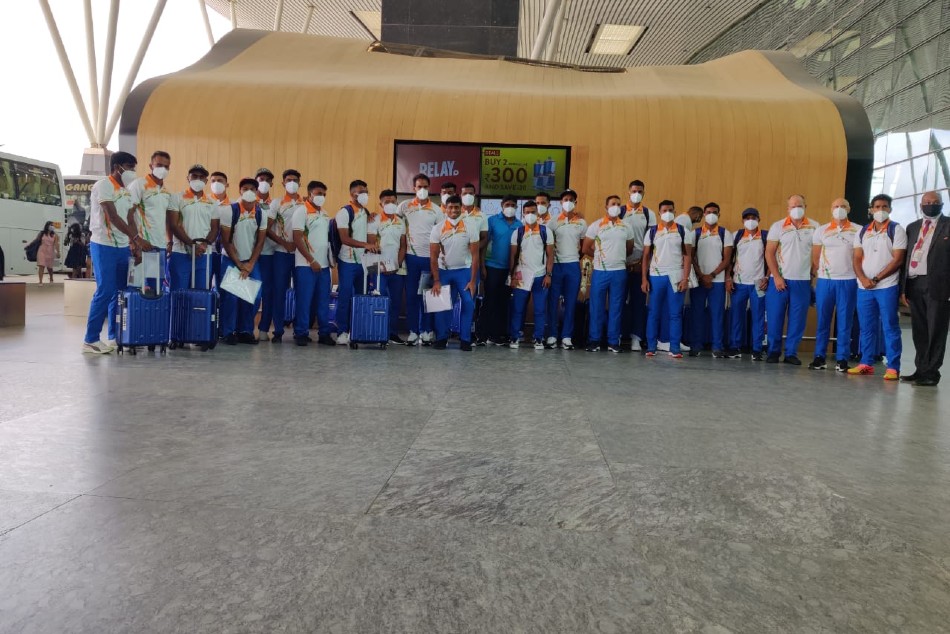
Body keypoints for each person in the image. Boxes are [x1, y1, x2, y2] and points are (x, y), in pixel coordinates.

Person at [82, 151, 141, 354]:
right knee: (105, 290)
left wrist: (135, 244)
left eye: (134, 167)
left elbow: (130, 218)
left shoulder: (127, 191)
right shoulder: (103, 185)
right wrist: (136, 238)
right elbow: (113, 217)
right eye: (130, 167)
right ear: (117, 167)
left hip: (122, 247)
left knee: (120, 292)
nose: (133, 171)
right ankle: (90, 339)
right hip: (103, 245)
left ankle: (114, 336)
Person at [849, 194, 907, 380]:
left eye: (884, 206)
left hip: (887, 286)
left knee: (890, 326)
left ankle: (893, 367)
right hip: (864, 288)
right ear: (871, 209)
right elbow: (856, 259)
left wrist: (876, 279)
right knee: (866, 327)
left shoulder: (896, 229)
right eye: (877, 206)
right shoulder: (862, 231)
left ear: (890, 209)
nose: (880, 210)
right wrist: (863, 279)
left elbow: (898, 260)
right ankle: (866, 363)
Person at [764, 194, 820, 365]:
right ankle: (773, 351)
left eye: (799, 205)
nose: (796, 208)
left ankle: (791, 353)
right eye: (793, 206)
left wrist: (812, 275)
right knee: (775, 318)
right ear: (788, 208)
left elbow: (818, 254)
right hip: (779, 280)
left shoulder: (815, 226)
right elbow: (769, 253)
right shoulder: (778, 226)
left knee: (798, 320)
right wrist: (776, 276)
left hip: (802, 281)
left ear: (805, 207)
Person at [902, 191, 949, 387]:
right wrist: (903, 288)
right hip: (914, 283)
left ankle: (931, 373)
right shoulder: (912, 227)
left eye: (935, 202)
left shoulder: (948, 224)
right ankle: (920, 369)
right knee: (919, 330)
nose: (931, 205)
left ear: (942, 204)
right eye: (927, 202)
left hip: (939, 285)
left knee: (936, 330)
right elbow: (906, 257)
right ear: (921, 205)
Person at [809, 198, 860, 372]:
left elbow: (860, 256)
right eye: (836, 206)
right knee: (823, 321)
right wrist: (825, 272)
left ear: (849, 209)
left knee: (845, 322)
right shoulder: (821, 230)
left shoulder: (858, 230)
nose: (839, 209)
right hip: (826, 281)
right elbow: (816, 257)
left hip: (849, 280)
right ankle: (819, 357)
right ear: (831, 209)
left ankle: (842, 359)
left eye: (843, 206)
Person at [220, 178, 268, 345]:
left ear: (256, 192)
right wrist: (240, 265)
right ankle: (228, 331)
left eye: (252, 189)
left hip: (250, 261)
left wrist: (250, 264)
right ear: (240, 191)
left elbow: (260, 242)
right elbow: (226, 241)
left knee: (254, 295)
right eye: (245, 188)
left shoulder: (261, 213)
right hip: (231, 259)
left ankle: (245, 331)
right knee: (231, 296)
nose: (249, 191)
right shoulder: (230, 210)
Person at [642, 200, 693, 358]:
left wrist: (685, 278)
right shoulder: (652, 232)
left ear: (675, 212)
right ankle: (651, 346)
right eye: (664, 210)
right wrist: (644, 279)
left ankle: (675, 347)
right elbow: (645, 257)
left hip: (676, 276)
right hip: (656, 276)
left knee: (675, 314)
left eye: (670, 210)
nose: (667, 213)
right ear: (659, 213)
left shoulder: (683, 231)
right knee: (653, 313)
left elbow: (687, 256)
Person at [584, 195, 635, 353]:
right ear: (606, 207)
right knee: (596, 307)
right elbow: (585, 248)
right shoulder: (596, 225)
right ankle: (594, 340)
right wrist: (599, 258)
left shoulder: (626, 226)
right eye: (613, 204)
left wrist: (617, 258)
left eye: (619, 204)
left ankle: (613, 341)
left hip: (619, 272)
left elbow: (629, 248)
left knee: (616, 308)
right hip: (600, 271)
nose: (616, 206)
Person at [429, 195, 479, 350]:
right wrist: (436, 280)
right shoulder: (437, 228)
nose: (453, 210)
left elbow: (475, 256)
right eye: (450, 207)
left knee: (468, 303)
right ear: (445, 208)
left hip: (464, 271)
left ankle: (465, 339)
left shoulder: (471, 226)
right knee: (441, 305)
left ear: (461, 208)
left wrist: (473, 281)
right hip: (444, 272)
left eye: (456, 207)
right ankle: (442, 338)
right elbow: (433, 256)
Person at [334, 179, 379, 346]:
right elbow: (344, 238)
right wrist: (365, 245)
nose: (365, 194)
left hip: (364, 262)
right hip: (347, 261)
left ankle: (358, 330)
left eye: (366, 192)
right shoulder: (344, 212)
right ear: (352, 193)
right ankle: (342, 331)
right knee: (345, 297)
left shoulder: (365, 212)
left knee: (362, 297)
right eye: (361, 191)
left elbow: (369, 236)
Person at [399, 174, 443, 345]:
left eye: (425, 186)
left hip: (430, 260)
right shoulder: (404, 206)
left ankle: (426, 330)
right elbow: (393, 222)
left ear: (429, 188)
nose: (422, 189)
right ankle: (412, 331)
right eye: (419, 186)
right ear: (414, 188)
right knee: (411, 296)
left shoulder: (437, 210)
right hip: (411, 258)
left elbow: (441, 235)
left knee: (427, 296)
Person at [291, 181, 333, 347]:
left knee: (323, 301)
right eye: (318, 193)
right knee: (304, 300)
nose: (321, 196)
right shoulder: (301, 211)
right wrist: (311, 260)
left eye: (324, 194)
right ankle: (301, 332)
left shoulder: (325, 213)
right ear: (309, 194)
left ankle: (324, 333)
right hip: (305, 265)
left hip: (324, 266)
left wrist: (329, 260)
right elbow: (297, 238)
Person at [508, 200, 555, 349]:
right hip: (521, 274)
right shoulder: (518, 232)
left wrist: (548, 275)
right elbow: (512, 256)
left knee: (540, 310)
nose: (530, 215)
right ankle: (514, 337)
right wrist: (512, 276)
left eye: (533, 212)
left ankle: (538, 338)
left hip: (540, 275)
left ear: (537, 213)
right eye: (527, 212)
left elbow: (550, 255)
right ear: (523, 214)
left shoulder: (546, 231)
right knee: (518, 308)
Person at [689, 202, 733, 357]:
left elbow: (727, 259)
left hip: (718, 281)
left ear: (719, 215)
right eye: (708, 212)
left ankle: (717, 347)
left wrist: (712, 275)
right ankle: (696, 345)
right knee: (697, 314)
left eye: (714, 212)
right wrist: (702, 275)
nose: (711, 214)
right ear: (704, 215)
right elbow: (690, 257)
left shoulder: (725, 233)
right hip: (699, 280)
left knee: (717, 315)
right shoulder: (695, 233)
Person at [266, 169, 304, 343]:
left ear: (300, 183)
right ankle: (278, 331)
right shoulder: (277, 203)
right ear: (283, 183)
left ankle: (300, 331)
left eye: (295, 180)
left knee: (301, 293)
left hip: (301, 256)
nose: (292, 183)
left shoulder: (306, 204)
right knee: (279, 292)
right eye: (289, 180)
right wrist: (283, 243)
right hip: (281, 254)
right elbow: (266, 228)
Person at [546, 189, 587, 350]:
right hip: (556, 265)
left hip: (573, 265)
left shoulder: (582, 222)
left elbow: (583, 246)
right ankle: (552, 335)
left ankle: (567, 336)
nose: (568, 202)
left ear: (575, 202)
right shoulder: (553, 222)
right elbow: (548, 246)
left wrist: (574, 257)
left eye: (571, 199)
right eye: (565, 199)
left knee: (571, 302)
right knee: (553, 301)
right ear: (561, 202)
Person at [478, 195, 522, 346]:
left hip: (509, 270)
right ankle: (482, 334)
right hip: (492, 267)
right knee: (489, 300)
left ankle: (497, 335)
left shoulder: (519, 225)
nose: (510, 207)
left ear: (516, 207)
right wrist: (482, 265)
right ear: (502, 205)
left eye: (513, 205)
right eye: (507, 204)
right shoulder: (492, 221)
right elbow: (484, 243)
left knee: (503, 303)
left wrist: (515, 271)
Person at [167, 164, 218, 291]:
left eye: (201, 177)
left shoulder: (212, 202)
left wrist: (204, 245)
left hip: (203, 254)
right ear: (188, 178)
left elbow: (214, 229)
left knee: (200, 296)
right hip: (180, 253)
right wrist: (192, 245)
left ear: (206, 180)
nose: (198, 179)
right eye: (194, 176)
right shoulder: (176, 197)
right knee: (179, 295)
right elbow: (173, 225)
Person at [727, 208, 768, 360]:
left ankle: (757, 349)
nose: (750, 220)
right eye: (747, 218)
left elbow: (771, 259)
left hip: (758, 283)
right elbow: (729, 259)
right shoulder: (736, 236)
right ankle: (735, 347)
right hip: (739, 283)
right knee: (736, 316)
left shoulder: (765, 236)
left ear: (759, 219)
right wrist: (728, 278)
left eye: (753, 217)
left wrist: (767, 277)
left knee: (758, 317)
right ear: (742, 220)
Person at [127, 150, 172, 291]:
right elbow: (128, 215)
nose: (163, 169)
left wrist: (169, 241)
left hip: (159, 248)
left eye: (166, 166)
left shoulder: (166, 191)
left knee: (155, 290)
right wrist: (135, 241)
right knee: (136, 290)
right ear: (151, 166)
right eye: (159, 165)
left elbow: (166, 219)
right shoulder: (139, 185)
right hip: (142, 247)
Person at [369, 189, 408, 345]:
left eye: (393, 201)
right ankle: (378, 332)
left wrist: (397, 264)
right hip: (376, 267)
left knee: (396, 302)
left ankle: (392, 333)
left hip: (396, 268)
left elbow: (403, 246)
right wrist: (382, 266)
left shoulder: (401, 222)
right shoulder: (374, 220)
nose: (390, 204)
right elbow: (371, 244)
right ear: (381, 204)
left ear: (397, 202)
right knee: (379, 300)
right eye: (387, 202)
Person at [621, 179, 655, 351]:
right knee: (618, 303)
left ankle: (636, 338)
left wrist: (643, 263)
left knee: (638, 304)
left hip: (640, 266)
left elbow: (652, 242)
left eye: (640, 191)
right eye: (634, 191)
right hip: (620, 266)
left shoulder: (649, 214)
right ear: (628, 191)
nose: (636, 194)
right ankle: (617, 335)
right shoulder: (620, 211)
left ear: (644, 193)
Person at [254, 167, 276, 340]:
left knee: (268, 293)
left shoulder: (274, 204)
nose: (264, 183)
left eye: (268, 180)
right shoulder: (243, 202)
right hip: (248, 254)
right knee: (249, 292)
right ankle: (244, 327)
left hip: (268, 253)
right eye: (261, 179)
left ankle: (263, 329)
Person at [208, 171, 230, 289]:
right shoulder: (205, 202)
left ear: (227, 184)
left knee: (224, 288)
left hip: (225, 253)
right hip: (206, 251)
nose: (216, 183)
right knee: (204, 286)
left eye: (220, 181)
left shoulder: (233, 205)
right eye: (213, 181)